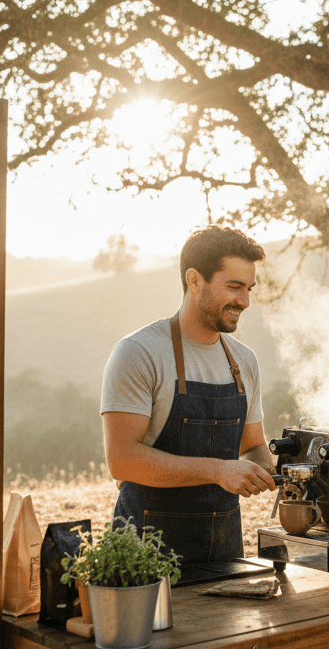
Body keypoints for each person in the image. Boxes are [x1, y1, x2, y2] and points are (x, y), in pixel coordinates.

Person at [100, 226, 278, 565]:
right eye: (234, 287)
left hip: (224, 552)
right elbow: (121, 459)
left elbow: (253, 445)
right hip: (145, 554)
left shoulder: (244, 361)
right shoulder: (140, 352)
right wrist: (219, 471)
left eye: (249, 288)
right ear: (194, 280)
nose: (245, 300)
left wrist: (266, 469)